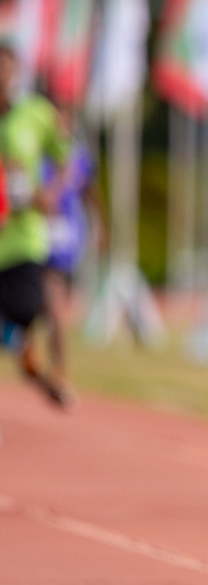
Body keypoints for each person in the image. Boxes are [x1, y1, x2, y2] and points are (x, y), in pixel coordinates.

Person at [0, 43, 72, 408]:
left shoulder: (35, 114)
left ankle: (29, 348)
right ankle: (23, 348)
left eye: (6, 68)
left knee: (28, 309)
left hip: (22, 238)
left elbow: (65, 158)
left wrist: (51, 193)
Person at [39, 108, 105, 393]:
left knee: (52, 297)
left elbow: (90, 190)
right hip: (30, 231)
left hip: (63, 234)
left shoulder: (78, 155)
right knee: (37, 299)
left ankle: (60, 367)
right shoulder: (35, 150)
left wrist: (101, 224)